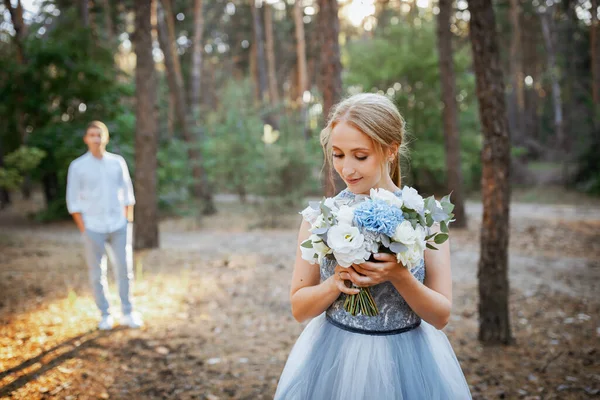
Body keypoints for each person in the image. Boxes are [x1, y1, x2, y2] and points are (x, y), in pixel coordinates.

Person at [274, 94, 471, 399]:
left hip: (407, 361)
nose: (346, 168)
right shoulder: (319, 219)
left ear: (391, 150)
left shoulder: (426, 220)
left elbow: (441, 316)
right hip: (333, 361)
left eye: (360, 155)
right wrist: (335, 283)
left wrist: (400, 276)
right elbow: (299, 309)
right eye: (338, 155)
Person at [66, 121, 143, 331]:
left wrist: (127, 222)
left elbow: (128, 195)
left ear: (105, 138)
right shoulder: (78, 166)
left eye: (99, 135)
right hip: (93, 227)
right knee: (96, 273)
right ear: (86, 138)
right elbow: (73, 202)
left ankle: (128, 312)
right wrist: (84, 227)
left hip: (118, 225)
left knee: (124, 269)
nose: (96, 139)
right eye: (92, 135)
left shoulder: (117, 163)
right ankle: (105, 314)